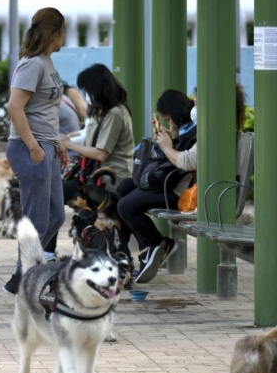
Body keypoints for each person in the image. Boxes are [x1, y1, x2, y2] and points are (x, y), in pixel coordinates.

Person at [2, 7, 70, 295]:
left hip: (46, 145)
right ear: (54, 33)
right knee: (38, 220)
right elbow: (14, 107)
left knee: (55, 215)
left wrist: (57, 143)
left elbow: (45, 110)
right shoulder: (32, 65)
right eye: (63, 31)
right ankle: (27, 279)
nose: (65, 36)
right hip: (31, 147)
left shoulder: (46, 62)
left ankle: (23, 275)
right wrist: (33, 145)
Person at [45, 63, 135, 259]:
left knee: (55, 193)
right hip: (94, 176)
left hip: (111, 179)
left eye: (87, 90)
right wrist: (67, 139)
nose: (86, 95)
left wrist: (69, 145)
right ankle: (49, 251)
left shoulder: (115, 114)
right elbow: (87, 136)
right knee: (54, 192)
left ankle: (48, 252)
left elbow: (101, 153)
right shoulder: (101, 112)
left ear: (97, 89)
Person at [116, 89, 197, 284]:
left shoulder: (200, 131)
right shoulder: (189, 129)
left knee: (125, 206)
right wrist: (172, 134)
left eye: (168, 118)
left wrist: (167, 146)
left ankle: (157, 244)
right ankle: (123, 251)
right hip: (172, 185)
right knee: (125, 187)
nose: (196, 104)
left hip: (183, 193)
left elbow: (187, 162)